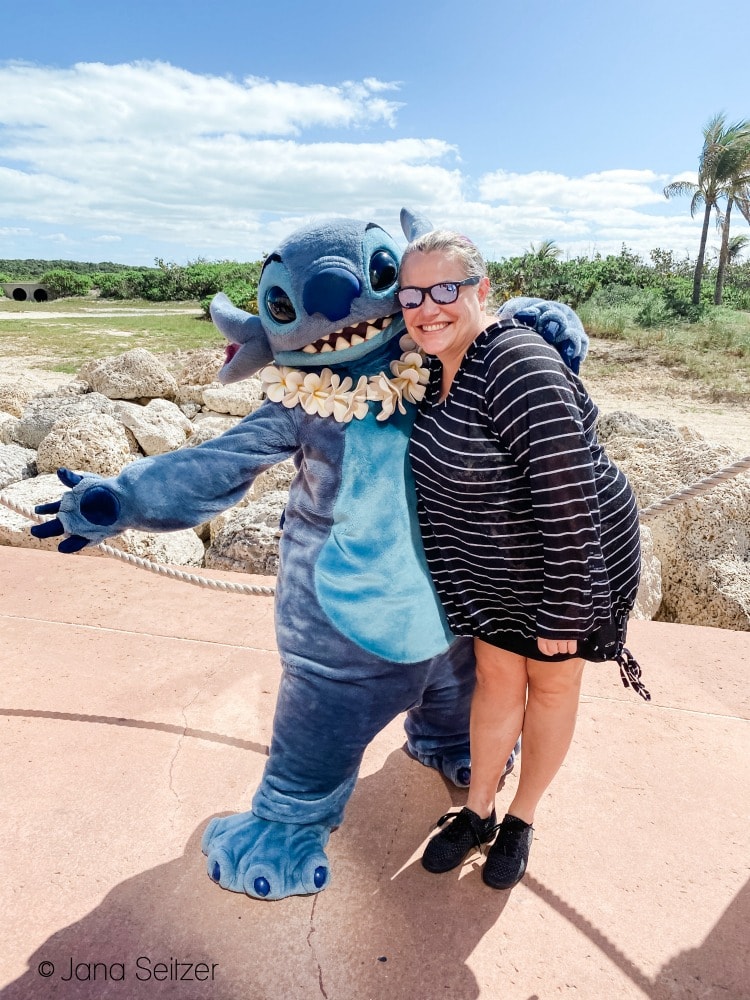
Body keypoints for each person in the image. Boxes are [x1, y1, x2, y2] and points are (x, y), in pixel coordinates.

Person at [397, 229, 648, 890]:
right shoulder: (431, 369)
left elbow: (568, 494)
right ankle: (476, 810)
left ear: (482, 290)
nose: (427, 307)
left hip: (568, 557)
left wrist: (567, 605)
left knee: (553, 682)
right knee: (497, 675)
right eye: (412, 295)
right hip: (497, 562)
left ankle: (521, 819)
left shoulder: (516, 363)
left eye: (445, 289)